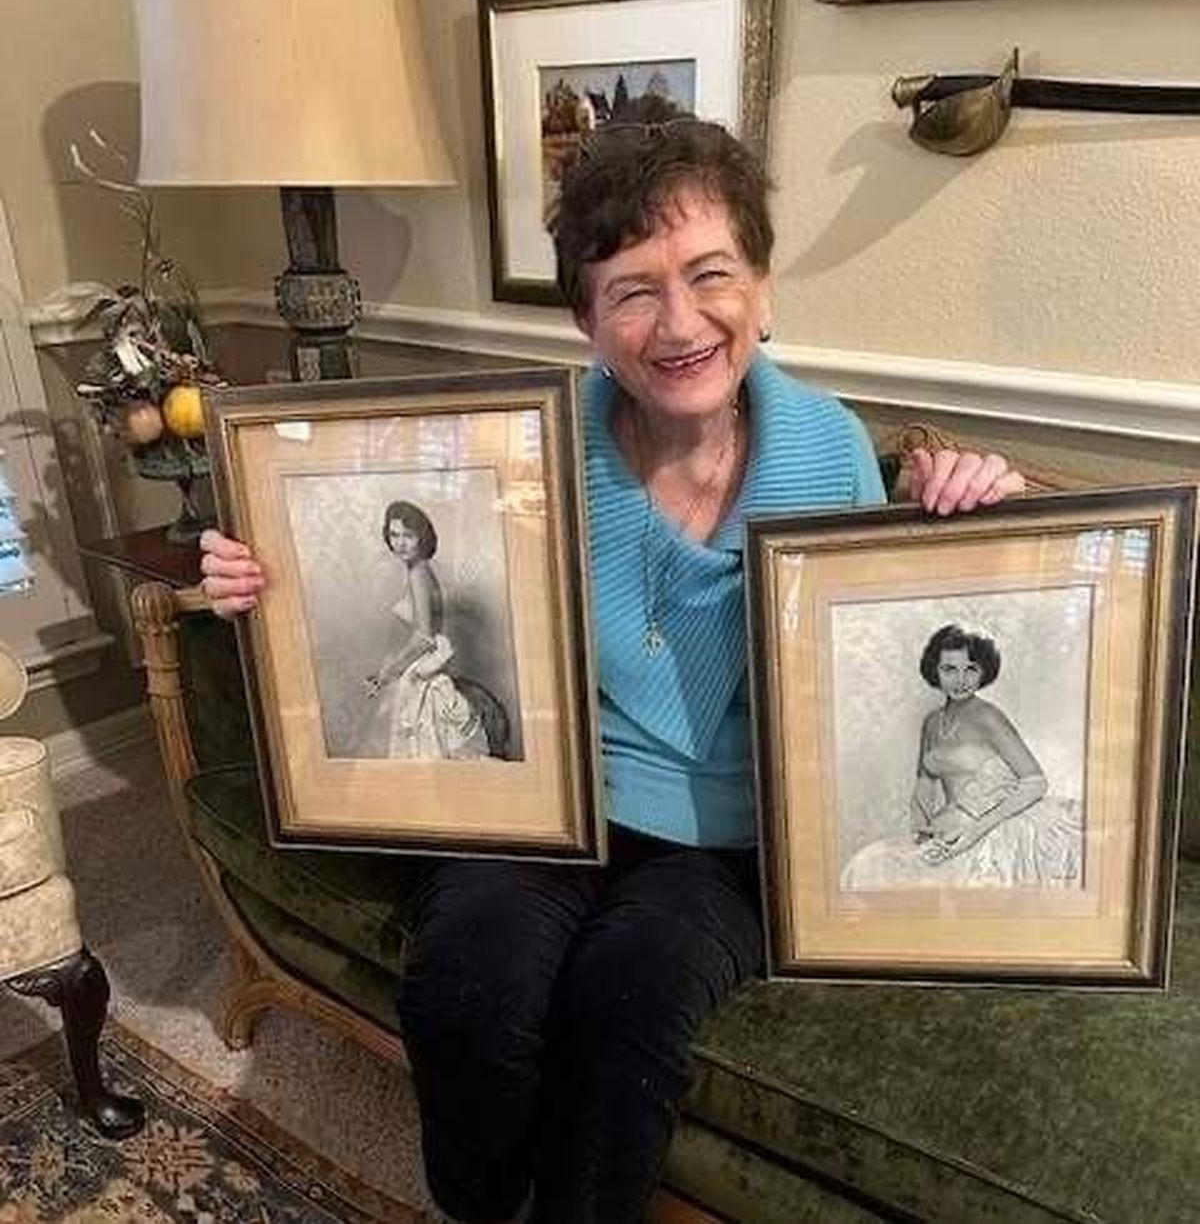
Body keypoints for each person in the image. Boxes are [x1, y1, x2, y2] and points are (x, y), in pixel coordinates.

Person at [199, 115, 1025, 1224]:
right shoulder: (522, 444)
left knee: (625, 1009)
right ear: (588, 322)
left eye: (709, 275)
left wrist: (968, 516)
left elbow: (890, 645)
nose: (678, 321)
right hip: (551, 803)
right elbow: (367, 529)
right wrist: (260, 566)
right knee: (468, 987)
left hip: (730, 841)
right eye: (632, 290)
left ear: (764, 291)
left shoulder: (831, 449)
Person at [841, 623, 1081, 890]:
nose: (961, 680)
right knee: (870, 862)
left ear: (983, 672)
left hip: (992, 829)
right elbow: (925, 783)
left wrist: (974, 830)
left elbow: (1035, 782)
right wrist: (921, 830)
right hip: (947, 827)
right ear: (935, 670)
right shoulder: (932, 722)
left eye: (971, 669)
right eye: (949, 669)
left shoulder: (988, 716)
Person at [355, 500, 489, 761]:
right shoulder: (419, 571)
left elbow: (424, 638)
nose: (400, 543)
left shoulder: (418, 574)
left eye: (409, 535)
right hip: (415, 671)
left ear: (422, 537)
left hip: (419, 677)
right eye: (394, 535)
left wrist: (387, 674)